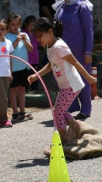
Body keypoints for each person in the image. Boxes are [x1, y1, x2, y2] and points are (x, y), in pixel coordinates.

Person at [27, 18, 97, 151]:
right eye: (37, 36)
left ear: (50, 31)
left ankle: (63, 142)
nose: (38, 39)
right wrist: (37, 75)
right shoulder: (50, 47)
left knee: (57, 113)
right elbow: (50, 65)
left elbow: (75, 62)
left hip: (71, 85)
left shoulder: (59, 46)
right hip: (65, 85)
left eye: (40, 35)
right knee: (61, 111)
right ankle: (75, 128)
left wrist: (88, 77)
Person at [53, 0, 94, 120]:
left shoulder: (82, 8)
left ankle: (86, 108)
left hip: (80, 51)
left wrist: (88, 51)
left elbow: (89, 31)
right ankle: (72, 106)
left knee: (82, 78)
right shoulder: (61, 8)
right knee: (66, 79)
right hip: (64, 51)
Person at [5, 13, 33, 122]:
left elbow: (31, 49)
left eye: (17, 24)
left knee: (22, 89)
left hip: (23, 67)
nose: (16, 26)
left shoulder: (24, 35)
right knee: (13, 90)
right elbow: (7, 51)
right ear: (9, 25)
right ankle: (15, 113)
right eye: (13, 24)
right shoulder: (7, 37)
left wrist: (25, 40)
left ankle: (22, 111)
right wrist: (16, 41)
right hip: (13, 69)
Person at [22, 15, 40, 91]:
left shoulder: (36, 34)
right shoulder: (23, 33)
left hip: (35, 59)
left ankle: (34, 90)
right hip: (27, 59)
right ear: (26, 24)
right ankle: (25, 89)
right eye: (30, 26)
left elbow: (39, 43)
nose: (32, 28)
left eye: (34, 26)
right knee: (26, 76)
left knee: (35, 75)